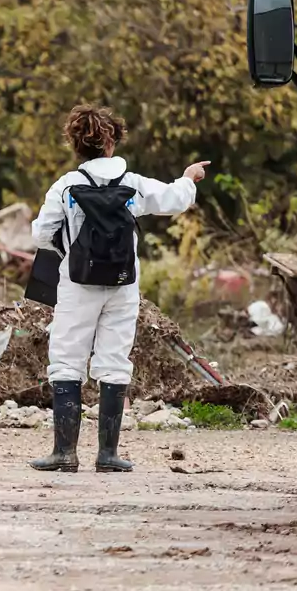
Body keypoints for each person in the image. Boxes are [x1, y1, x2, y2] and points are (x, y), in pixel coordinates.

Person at [29, 105, 208, 474]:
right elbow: (175, 200)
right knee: (113, 361)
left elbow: (40, 234)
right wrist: (189, 178)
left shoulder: (65, 186)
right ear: (111, 142)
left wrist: (67, 248)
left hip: (77, 283)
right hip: (123, 284)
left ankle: (64, 453)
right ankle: (108, 455)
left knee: (66, 359)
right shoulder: (134, 183)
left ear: (75, 144)